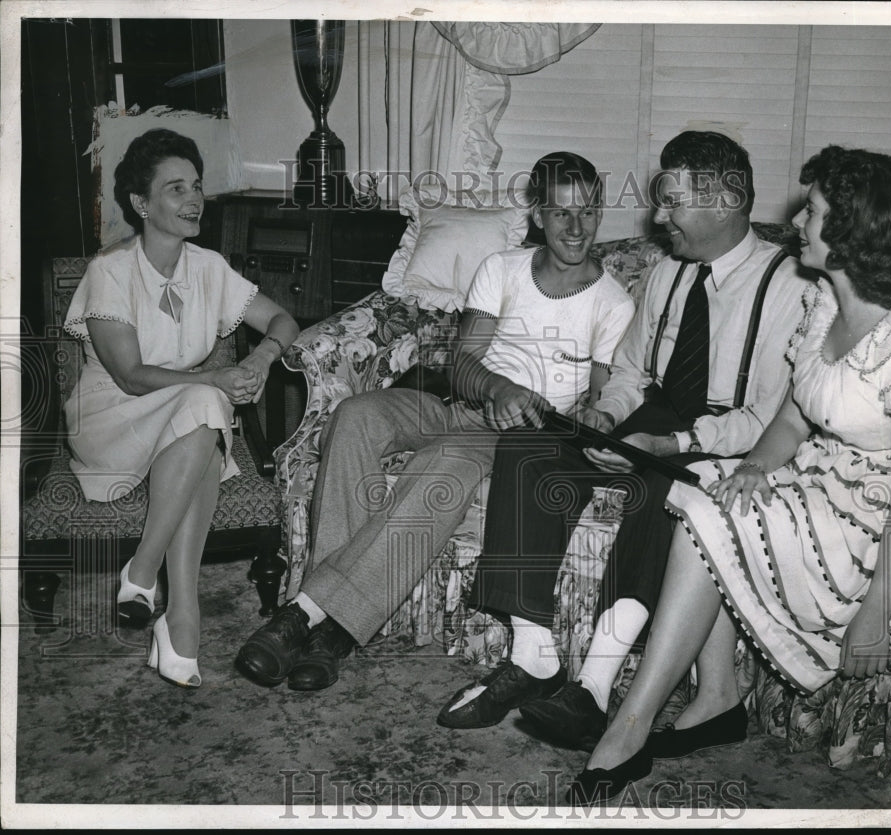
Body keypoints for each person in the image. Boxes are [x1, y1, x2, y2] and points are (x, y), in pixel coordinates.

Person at [567, 145, 891, 805]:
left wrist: (874, 611)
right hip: (819, 470)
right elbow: (790, 424)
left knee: (711, 509)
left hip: (880, 504)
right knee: (702, 487)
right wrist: (750, 468)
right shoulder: (826, 309)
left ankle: (630, 725)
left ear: (852, 235)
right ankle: (718, 694)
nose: (797, 222)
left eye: (813, 212)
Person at [436, 130, 809, 736]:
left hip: (723, 438)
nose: (659, 216)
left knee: (663, 492)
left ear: (724, 202)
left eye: (673, 201)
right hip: (650, 421)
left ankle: (594, 688)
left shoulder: (788, 284)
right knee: (531, 446)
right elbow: (633, 374)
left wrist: (669, 447)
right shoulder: (665, 274)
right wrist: (606, 418)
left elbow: (769, 416)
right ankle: (533, 653)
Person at [233, 151, 636, 692]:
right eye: (561, 212)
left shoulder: (614, 304)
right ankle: (337, 624)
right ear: (538, 214)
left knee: (441, 462)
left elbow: (599, 401)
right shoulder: (503, 268)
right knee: (353, 416)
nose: (576, 227)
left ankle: (306, 617)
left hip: (521, 438)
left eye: (587, 212)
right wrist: (496, 386)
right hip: (455, 404)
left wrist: (574, 411)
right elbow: (464, 362)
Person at [62, 128, 299, 688]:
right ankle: (146, 571)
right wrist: (216, 375)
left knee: (204, 404)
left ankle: (177, 611)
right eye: (175, 189)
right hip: (112, 415)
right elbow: (130, 374)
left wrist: (263, 359)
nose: (194, 199)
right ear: (141, 204)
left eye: (196, 187)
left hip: (185, 413)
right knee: (207, 397)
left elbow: (284, 321)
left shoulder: (209, 267)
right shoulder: (110, 273)